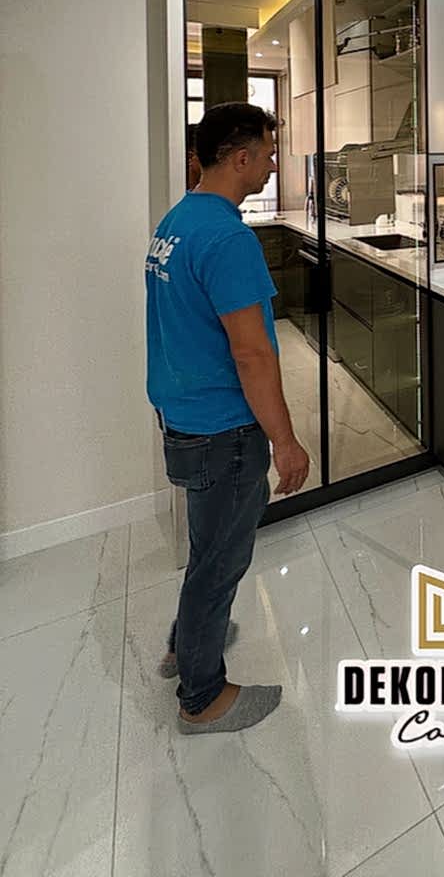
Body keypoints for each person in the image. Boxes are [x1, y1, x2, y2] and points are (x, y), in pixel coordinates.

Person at [145, 102, 310, 734]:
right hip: (223, 430)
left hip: (185, 416)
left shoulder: (178, 221)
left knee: (207, 548)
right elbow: (252, 354)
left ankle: (184, 644)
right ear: (240, 158)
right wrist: (286, 443)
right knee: (219, 563)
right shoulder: (228, 239)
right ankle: (202, 696)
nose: (272, 165)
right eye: (267, 154)